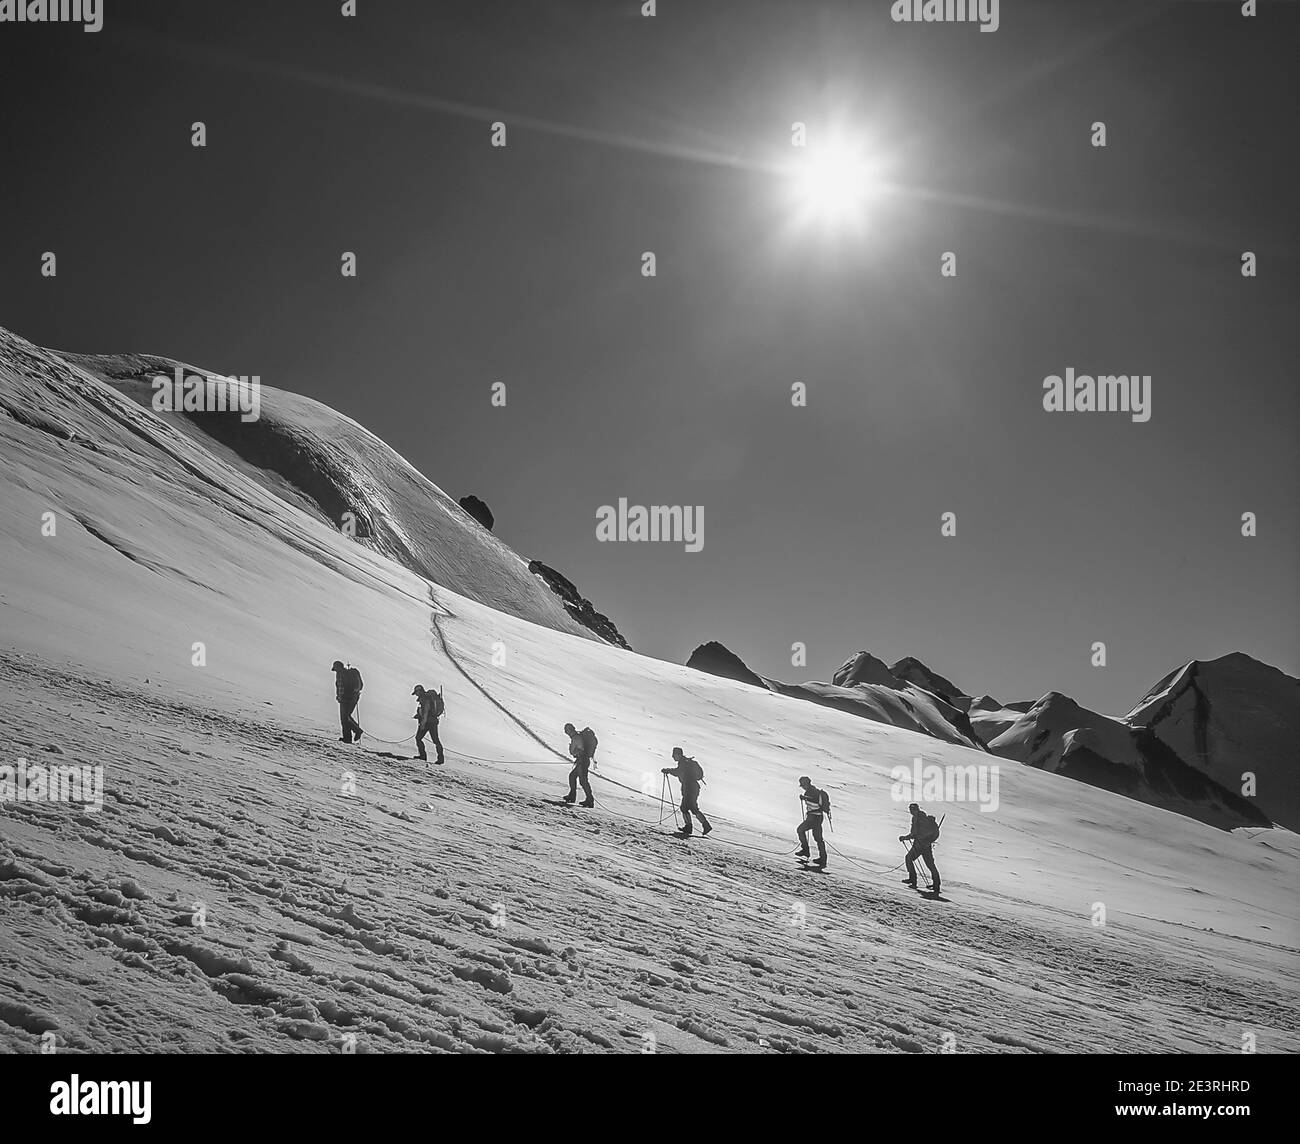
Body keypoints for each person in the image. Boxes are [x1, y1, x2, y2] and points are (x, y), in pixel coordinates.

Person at [662, 747, 711, 836]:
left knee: (686, 808)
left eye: (674, 755)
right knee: (691, 807)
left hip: (689, 788)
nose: (673, 757)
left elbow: (678, 772)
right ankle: (701, 825)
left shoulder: (683, 763)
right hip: (692, 788)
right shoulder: (686, 762)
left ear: (678, 754)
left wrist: (667, 770)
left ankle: (693, 827)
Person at [899, 802, 941, 893]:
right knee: (930, 865)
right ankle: (936, 885)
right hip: (926, 845)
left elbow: (914, 833)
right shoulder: (923, 818)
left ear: (914, 809)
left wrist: (904, 838)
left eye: (911, 809)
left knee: (909, 858)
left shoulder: (918, 819)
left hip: (920, 845)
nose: (910, 811)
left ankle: (913, 880)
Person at [795, 776, 830, 867]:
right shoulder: (813, 791)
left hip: (814, 818)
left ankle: (805, 851)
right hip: (817, 817)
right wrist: (805, 797)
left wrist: (805, 798)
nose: (802, 787)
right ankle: (823, 859)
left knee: (800, 830)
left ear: (806, 784)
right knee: (818, 838)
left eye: (803, 785)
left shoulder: (812, 792)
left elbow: (814, 801)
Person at [561, 722, 596, 807]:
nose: (566, 732)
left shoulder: (576, 738)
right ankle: (574, 796)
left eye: (567, 730)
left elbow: (581, 749)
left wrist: (576, 753)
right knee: (573, 777)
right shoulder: (577, 737)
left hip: (582, 761)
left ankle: (589, 800)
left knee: (582, 781)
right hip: (582, 760)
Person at [331, 660, 364, 743]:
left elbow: (341, 687)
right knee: (346, 717)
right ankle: (348, 738)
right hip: (353, 697)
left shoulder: (340, 674)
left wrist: (339, 697)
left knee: (344, 718)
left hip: (346, 699)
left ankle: (356, 731)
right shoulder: (348, 673)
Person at [411, 685, 445, 766]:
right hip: (433, 721)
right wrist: (418, 715)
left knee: (418, 738)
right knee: (435, 740)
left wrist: (422, 723)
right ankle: (440, 759)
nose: (416, 694)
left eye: (416, 693)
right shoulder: (427, 698)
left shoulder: (425, 699)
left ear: (420, 691)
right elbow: (425, 711)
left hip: (427, 722)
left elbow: (426, 712)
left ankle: (423, 756)